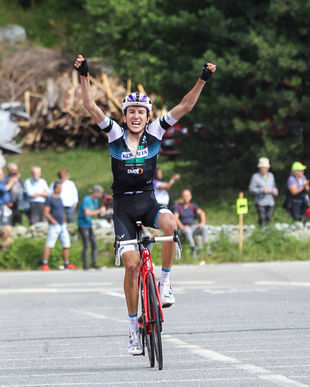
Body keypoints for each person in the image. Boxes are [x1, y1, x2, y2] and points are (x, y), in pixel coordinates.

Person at [75, 53, 216, 355]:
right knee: (132, 266)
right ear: (125, 116)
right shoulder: (114, 134)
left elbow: (186, 106)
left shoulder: (156, 132)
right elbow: (90, 106)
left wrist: (203, 78)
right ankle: (131, 330)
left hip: (149, 202)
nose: (136, 116)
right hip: (123, 208)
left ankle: (165, 283)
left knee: (169, 223)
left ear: (148, 116)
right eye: (131, 111)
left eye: (141, 111)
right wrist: (84, 75)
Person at [41, 181, 77, 271]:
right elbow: (46, 212)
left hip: (62, 224)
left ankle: (66, 263)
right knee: (49, 244)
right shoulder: (50, 199)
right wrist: (53, 220)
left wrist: (64, 219)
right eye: (60, 188)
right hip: (54, 225)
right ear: (56, 188)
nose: (61, 190)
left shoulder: (60, 198)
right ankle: (44, 263)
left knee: (66, 243)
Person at [77, 185, 108, 270]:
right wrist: (99, 210)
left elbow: (95, 213)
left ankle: (94, 263)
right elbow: (87, 213)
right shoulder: (87, 199)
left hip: (89, 224)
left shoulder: (95, 201)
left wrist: (103, 212)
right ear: (96, 192)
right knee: (86, 244)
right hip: (83, 224)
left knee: (94, 244)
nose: (101, 195)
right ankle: (85, 265)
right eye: (100, 193)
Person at [173, 189, 210, 260]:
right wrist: (182, 226)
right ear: (182, 197)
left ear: (190, 197)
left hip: (192, 226)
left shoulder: (193, 205)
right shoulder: (178, 206)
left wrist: (202, 223)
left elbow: (202, 213)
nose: (186, 197)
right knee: (187, 231)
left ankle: (206, 247)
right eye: (185, 196)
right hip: (183, 228)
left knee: (204, 228)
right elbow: (175, 217)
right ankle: (193, 248)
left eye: (187, 196)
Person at [248, 157, 278, 227]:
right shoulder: (255, 177)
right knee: (262, 217)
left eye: (265, 167)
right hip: (260, 202)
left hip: (270, 202)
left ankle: (267, 232)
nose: (263, 169)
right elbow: (251, 189)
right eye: (262, 167)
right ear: (259, 168)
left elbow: (274, 187)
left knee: (269, 217)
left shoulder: (271, 176)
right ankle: (261, 230)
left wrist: (275, 191)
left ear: (268, 168)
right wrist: (261, 190)